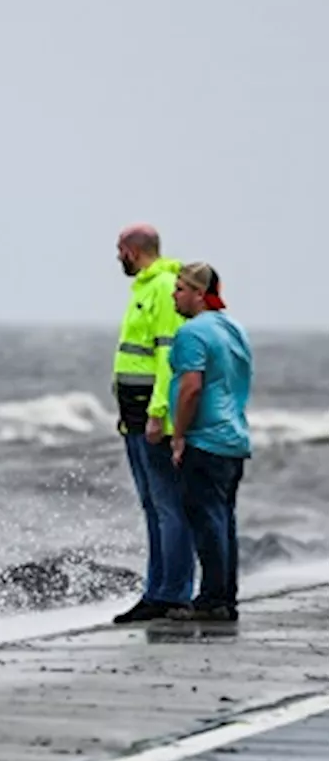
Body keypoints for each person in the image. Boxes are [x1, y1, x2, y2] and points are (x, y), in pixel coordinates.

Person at [110, 224, 194, 623]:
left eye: (118, 251)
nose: (117, 259)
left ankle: (174, 593)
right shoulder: (142, 288)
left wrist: (159, 413)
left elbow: (167, 355)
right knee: (152, 505)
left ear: (131, 250)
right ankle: (155, 590)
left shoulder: (161, 287)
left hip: (151, 414)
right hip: (133, 414)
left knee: (168, 505)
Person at [167, 262, 252, 623]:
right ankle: (224, 597)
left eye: (181, 289)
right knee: (223, 521)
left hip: (205, 439)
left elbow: (191, 388)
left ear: (199, 294)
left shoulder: (192, 333)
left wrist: (180, 436)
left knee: (207, 521)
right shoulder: (234, 328)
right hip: (234, 436)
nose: (174, 294)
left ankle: (212, 600)